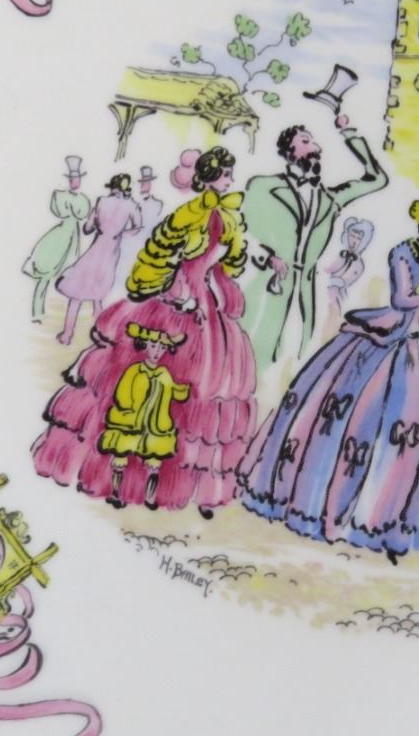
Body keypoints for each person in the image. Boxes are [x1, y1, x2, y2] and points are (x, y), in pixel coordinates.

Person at [236, 196, 419, 563]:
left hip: (416, 335)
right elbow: (402, 299)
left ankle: (394, 515)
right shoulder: (401, 253)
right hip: (388, 331)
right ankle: (330, 506)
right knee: (357, 411)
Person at [33, 146, 257, 516]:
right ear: (208, 179)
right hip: (178, 296)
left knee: (208, 384)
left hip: (206, 300)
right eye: (225, 175)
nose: (230, 181)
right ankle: (122, 477)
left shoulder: (229, 216)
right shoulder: (190, 213)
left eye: (230, 176)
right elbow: (161, 250)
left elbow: (232, 259)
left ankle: (185, 484)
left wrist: (224, 276)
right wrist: (173, 287)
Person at [239, 116, 389, 365]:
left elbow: (378, 179)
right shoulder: (264, 186)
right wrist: (268, 257)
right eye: (306, 141)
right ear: (289, 150)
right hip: (269, 284)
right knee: (255, 353)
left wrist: (349, 133)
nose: (316, 147)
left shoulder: (330, 199)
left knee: (300, 355)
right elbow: (241, 230)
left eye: (314, 142)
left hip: (306, 291)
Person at [96, 325, 190, 509]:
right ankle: (116, 493)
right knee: (121, 458)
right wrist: (129, 409)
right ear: (145, 345)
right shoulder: (134, 370)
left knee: (154, 464)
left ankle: (150, 498)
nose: (157, 352)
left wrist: (183, 391)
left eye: (162, 348)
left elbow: (173, 392)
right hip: (130, 423)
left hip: (155, 426)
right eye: (153, 346)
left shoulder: (164, 374)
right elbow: (122, 393)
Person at [54, 172, 141, 344]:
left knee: (77, 293)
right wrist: (120, 233)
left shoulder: (102, 201)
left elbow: (87, 228)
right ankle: (101, 333)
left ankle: (67, 335)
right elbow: (137, 227)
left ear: (113, 187)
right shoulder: (131, 205)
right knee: (98, 296)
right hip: (111, 252)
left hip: (97, 249)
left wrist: (99, 225)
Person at [22, 156, 91, 322]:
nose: (75, 182)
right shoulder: (60, 196)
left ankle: (64, 313)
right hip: (60, 236)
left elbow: (83, 214)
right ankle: (37, 312)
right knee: (46, 272)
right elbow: (62, 211)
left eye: (78, 179)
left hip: (73, 237)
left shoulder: (82, 199)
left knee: (68, 273)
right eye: (73, 179)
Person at [321, 216, 376, 328]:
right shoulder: (339, 256)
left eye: (358, 238)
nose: (354, 241)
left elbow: (343, 281)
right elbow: (328, 269)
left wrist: (329, 281)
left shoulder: (358, 264)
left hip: (338, 295)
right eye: (352, 236)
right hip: (325, 290)